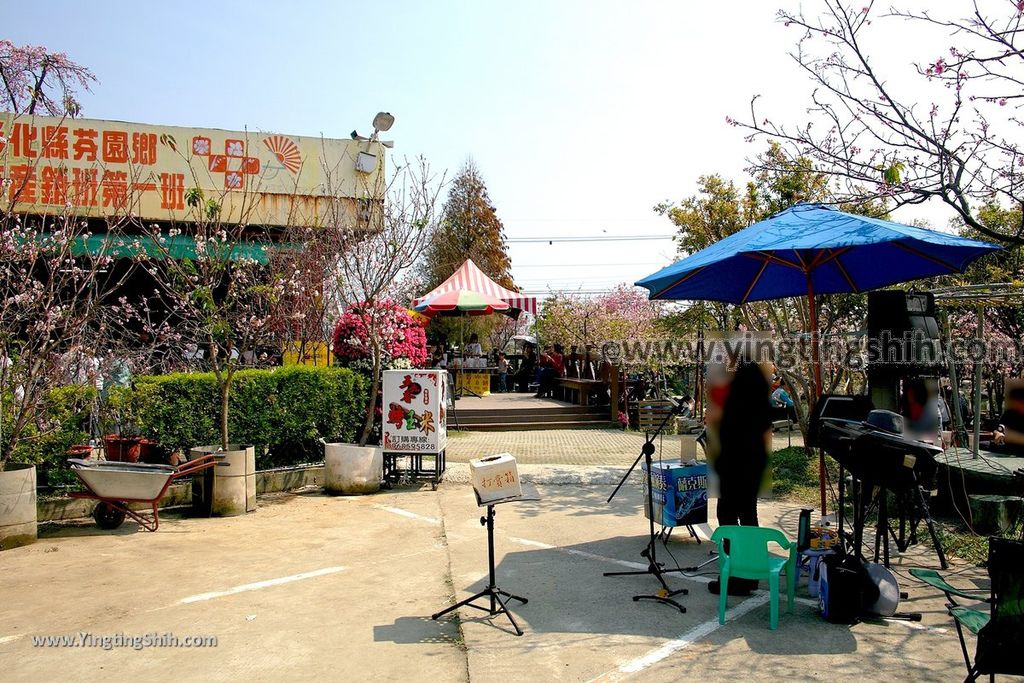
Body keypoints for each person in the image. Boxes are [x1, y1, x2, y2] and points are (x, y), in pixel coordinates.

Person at [708, 361, 773, 597]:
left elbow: (725, 436)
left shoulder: (737, 402)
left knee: (726, 520)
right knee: (748, 520)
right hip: (753, 469)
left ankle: (737, 575)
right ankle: (751, 574)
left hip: (734, 470)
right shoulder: (762, 403)